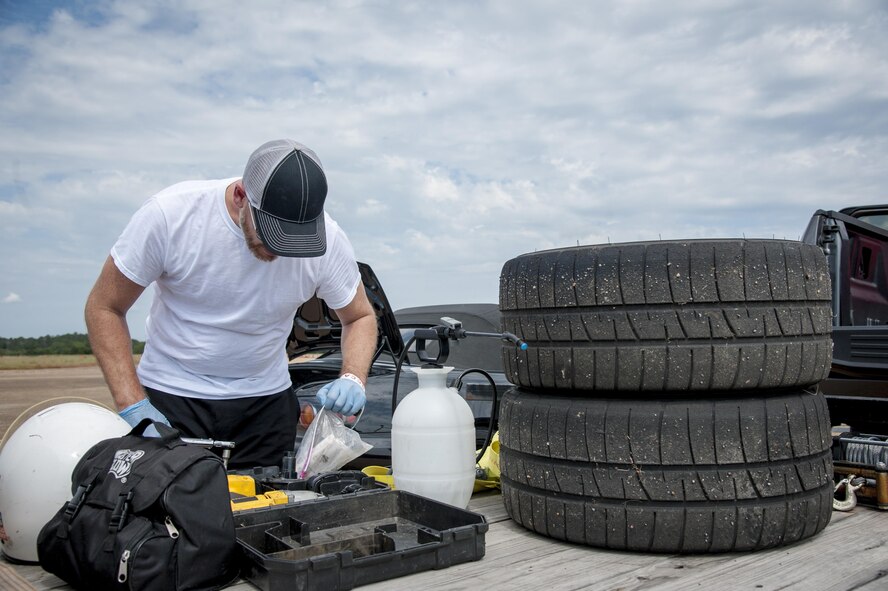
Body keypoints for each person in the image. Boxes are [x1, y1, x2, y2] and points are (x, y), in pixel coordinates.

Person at [85, 139, 378, 469]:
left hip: (265, 407)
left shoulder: (330, 240)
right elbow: (105, 307)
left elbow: (360, 317)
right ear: (241, 197)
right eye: (272, 234)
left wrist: (353, 377)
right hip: (172, 398)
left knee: (267, 513)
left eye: (294, 239)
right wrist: (132, 404)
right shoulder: (170, 216)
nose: (280, 251)